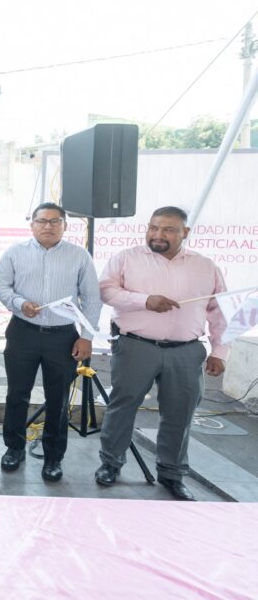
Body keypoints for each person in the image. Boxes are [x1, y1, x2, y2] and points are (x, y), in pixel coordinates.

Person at [94, 206, 229, 501]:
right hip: (135, 347)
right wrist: (145, 301)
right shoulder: (127, 258)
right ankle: (111, 464)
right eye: (153, 228)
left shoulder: (206, 266)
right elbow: (106, 291)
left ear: (185, 232)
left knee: (180, 414)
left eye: (168, 230)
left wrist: (220, 351)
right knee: (122, 407)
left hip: (186, 352)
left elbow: (219, 312)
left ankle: (172, 474)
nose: (158, 234)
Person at [0, 202, 101, 482]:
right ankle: (14, 448)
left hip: (63, 337)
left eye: (55, 221)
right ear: (32, 225)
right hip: (23, 332)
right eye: (42, 221)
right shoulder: (16, 252)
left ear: (64, 225)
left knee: (58, 400)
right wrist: (19, 303)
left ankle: (53, 457)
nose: (48, 226)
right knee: (17, 394)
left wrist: (86, 337)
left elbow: (92, 298)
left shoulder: (79, 256)